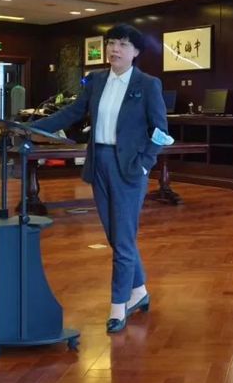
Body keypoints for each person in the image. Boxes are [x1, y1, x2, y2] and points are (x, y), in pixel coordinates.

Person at [31, 24, 168, 333]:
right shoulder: (96, 81)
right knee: (116, 236)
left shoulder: (148, 84)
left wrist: (145, 164)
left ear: (135, 52)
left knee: (123, 238)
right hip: (99, 163)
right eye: (111, 43)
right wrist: (33, 128)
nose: (114, 49)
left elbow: (161, 131)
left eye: (122, 44)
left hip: (129, 168)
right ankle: (140, 291)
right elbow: (71, 113)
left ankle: (119, 306)